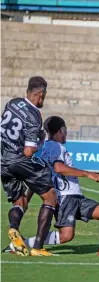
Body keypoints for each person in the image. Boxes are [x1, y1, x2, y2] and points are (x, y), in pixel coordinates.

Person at [7, 116, 99, 256]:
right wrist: (87, 174)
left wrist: (28, 197)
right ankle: (22, 244)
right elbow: (58, 167)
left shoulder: (46, 149)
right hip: (65, 197)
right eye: (65, 130)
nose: (66, 133)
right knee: (66, 236)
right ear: (61, 130)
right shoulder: (56, 147)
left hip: (75, 196)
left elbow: (39, 178)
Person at [1, 76, 58, 256]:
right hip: (18, 160)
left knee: (20, 201)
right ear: (40, 95)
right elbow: (28, 151)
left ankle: (13, 230)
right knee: (50, 197)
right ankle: (38, 247)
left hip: (2, 160)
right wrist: (41, 140)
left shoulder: (13, 103)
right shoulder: (34, 116)